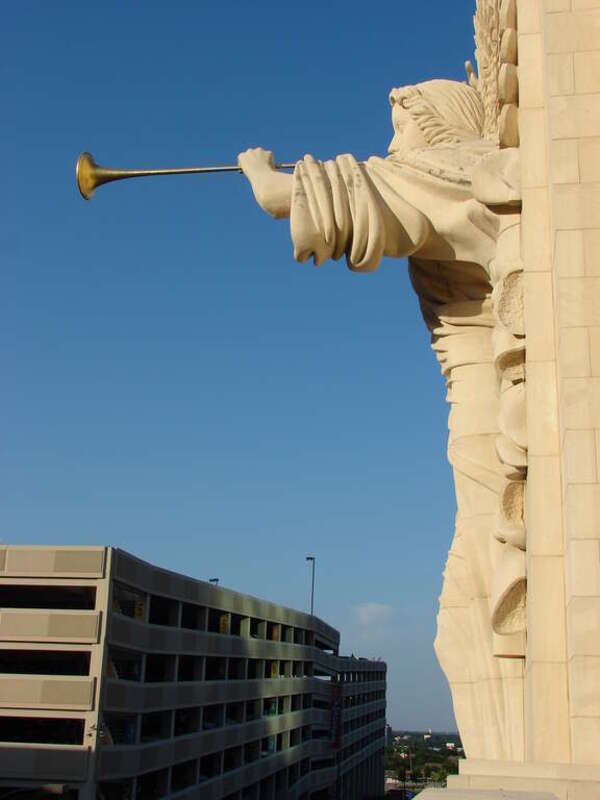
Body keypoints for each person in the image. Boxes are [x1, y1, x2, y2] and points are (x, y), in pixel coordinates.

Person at [238, 79, 498, 274]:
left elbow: (274, 197)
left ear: (440, 121)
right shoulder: (485, 167)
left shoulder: (430, 172)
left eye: (401, 127)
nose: (392, 146)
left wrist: (257, 168)